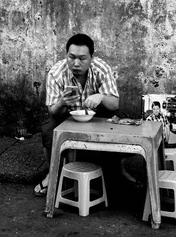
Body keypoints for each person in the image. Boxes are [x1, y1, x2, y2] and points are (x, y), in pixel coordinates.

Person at [33, 33, 119, 196]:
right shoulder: (56, 73)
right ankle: (52, 173)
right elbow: (52, 111)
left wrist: (101, 97)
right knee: (48, 129)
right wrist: (62, 102)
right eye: (71, 57)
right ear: (66, 55)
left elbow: (115, 104)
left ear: (91, 58)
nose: (76, 63)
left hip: (97, 116)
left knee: (120, 120)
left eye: (82, 58)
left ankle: (117, 171)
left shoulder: (101, 69)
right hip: (66, 115)